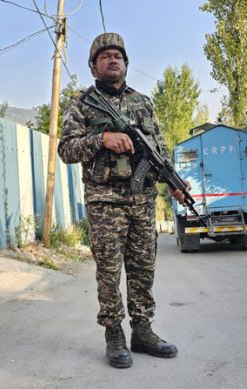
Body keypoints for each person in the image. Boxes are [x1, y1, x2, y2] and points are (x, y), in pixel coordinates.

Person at [57, 32, 189, 368]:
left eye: (118, 55)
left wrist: (172, 182)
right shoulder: (81, 104)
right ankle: (113, 333)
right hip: (105, 203)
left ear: (126, 64)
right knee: (109, 272)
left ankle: (142, 331)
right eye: (105, 56)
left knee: (143, 270)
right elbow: (66, 149)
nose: (112, 59)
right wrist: (102, 138)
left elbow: (156, 150)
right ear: (93, 67)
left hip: (142, 202)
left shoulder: (143, 102)